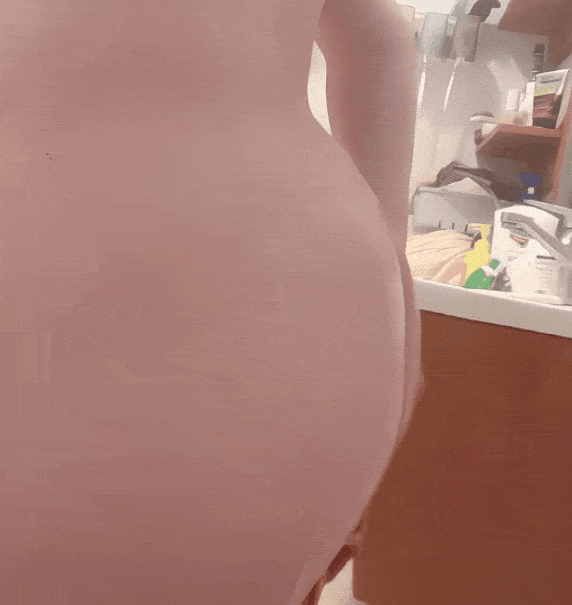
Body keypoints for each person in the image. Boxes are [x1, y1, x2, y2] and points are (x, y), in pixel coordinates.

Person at [0, 0, 422, 603]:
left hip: (279, 287)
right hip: (298, 269)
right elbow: (378, 39)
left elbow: (377, 42)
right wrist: (390, 264)